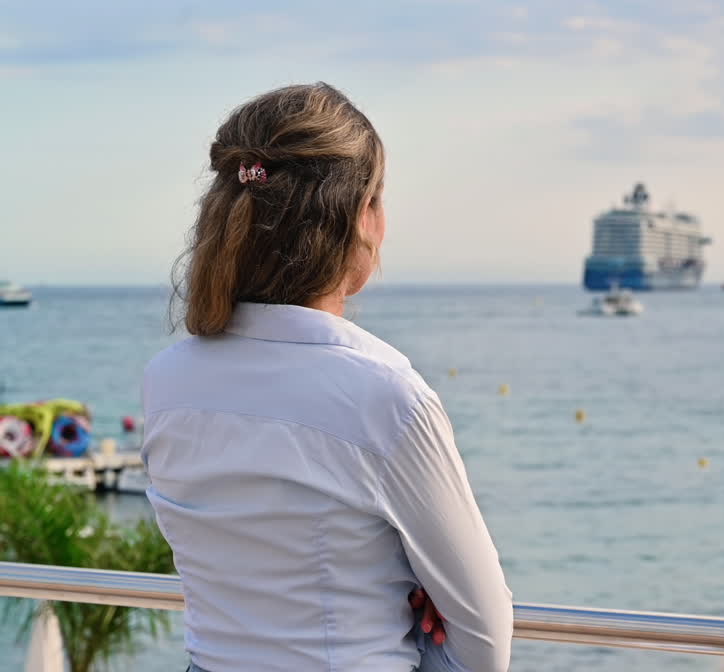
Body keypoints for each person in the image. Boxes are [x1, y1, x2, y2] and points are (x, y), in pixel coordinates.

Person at [142, 83, 513, 671]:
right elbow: (484, 640)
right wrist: (413, 621)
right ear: (359, 219)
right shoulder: (385, 394)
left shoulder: (167, 381)